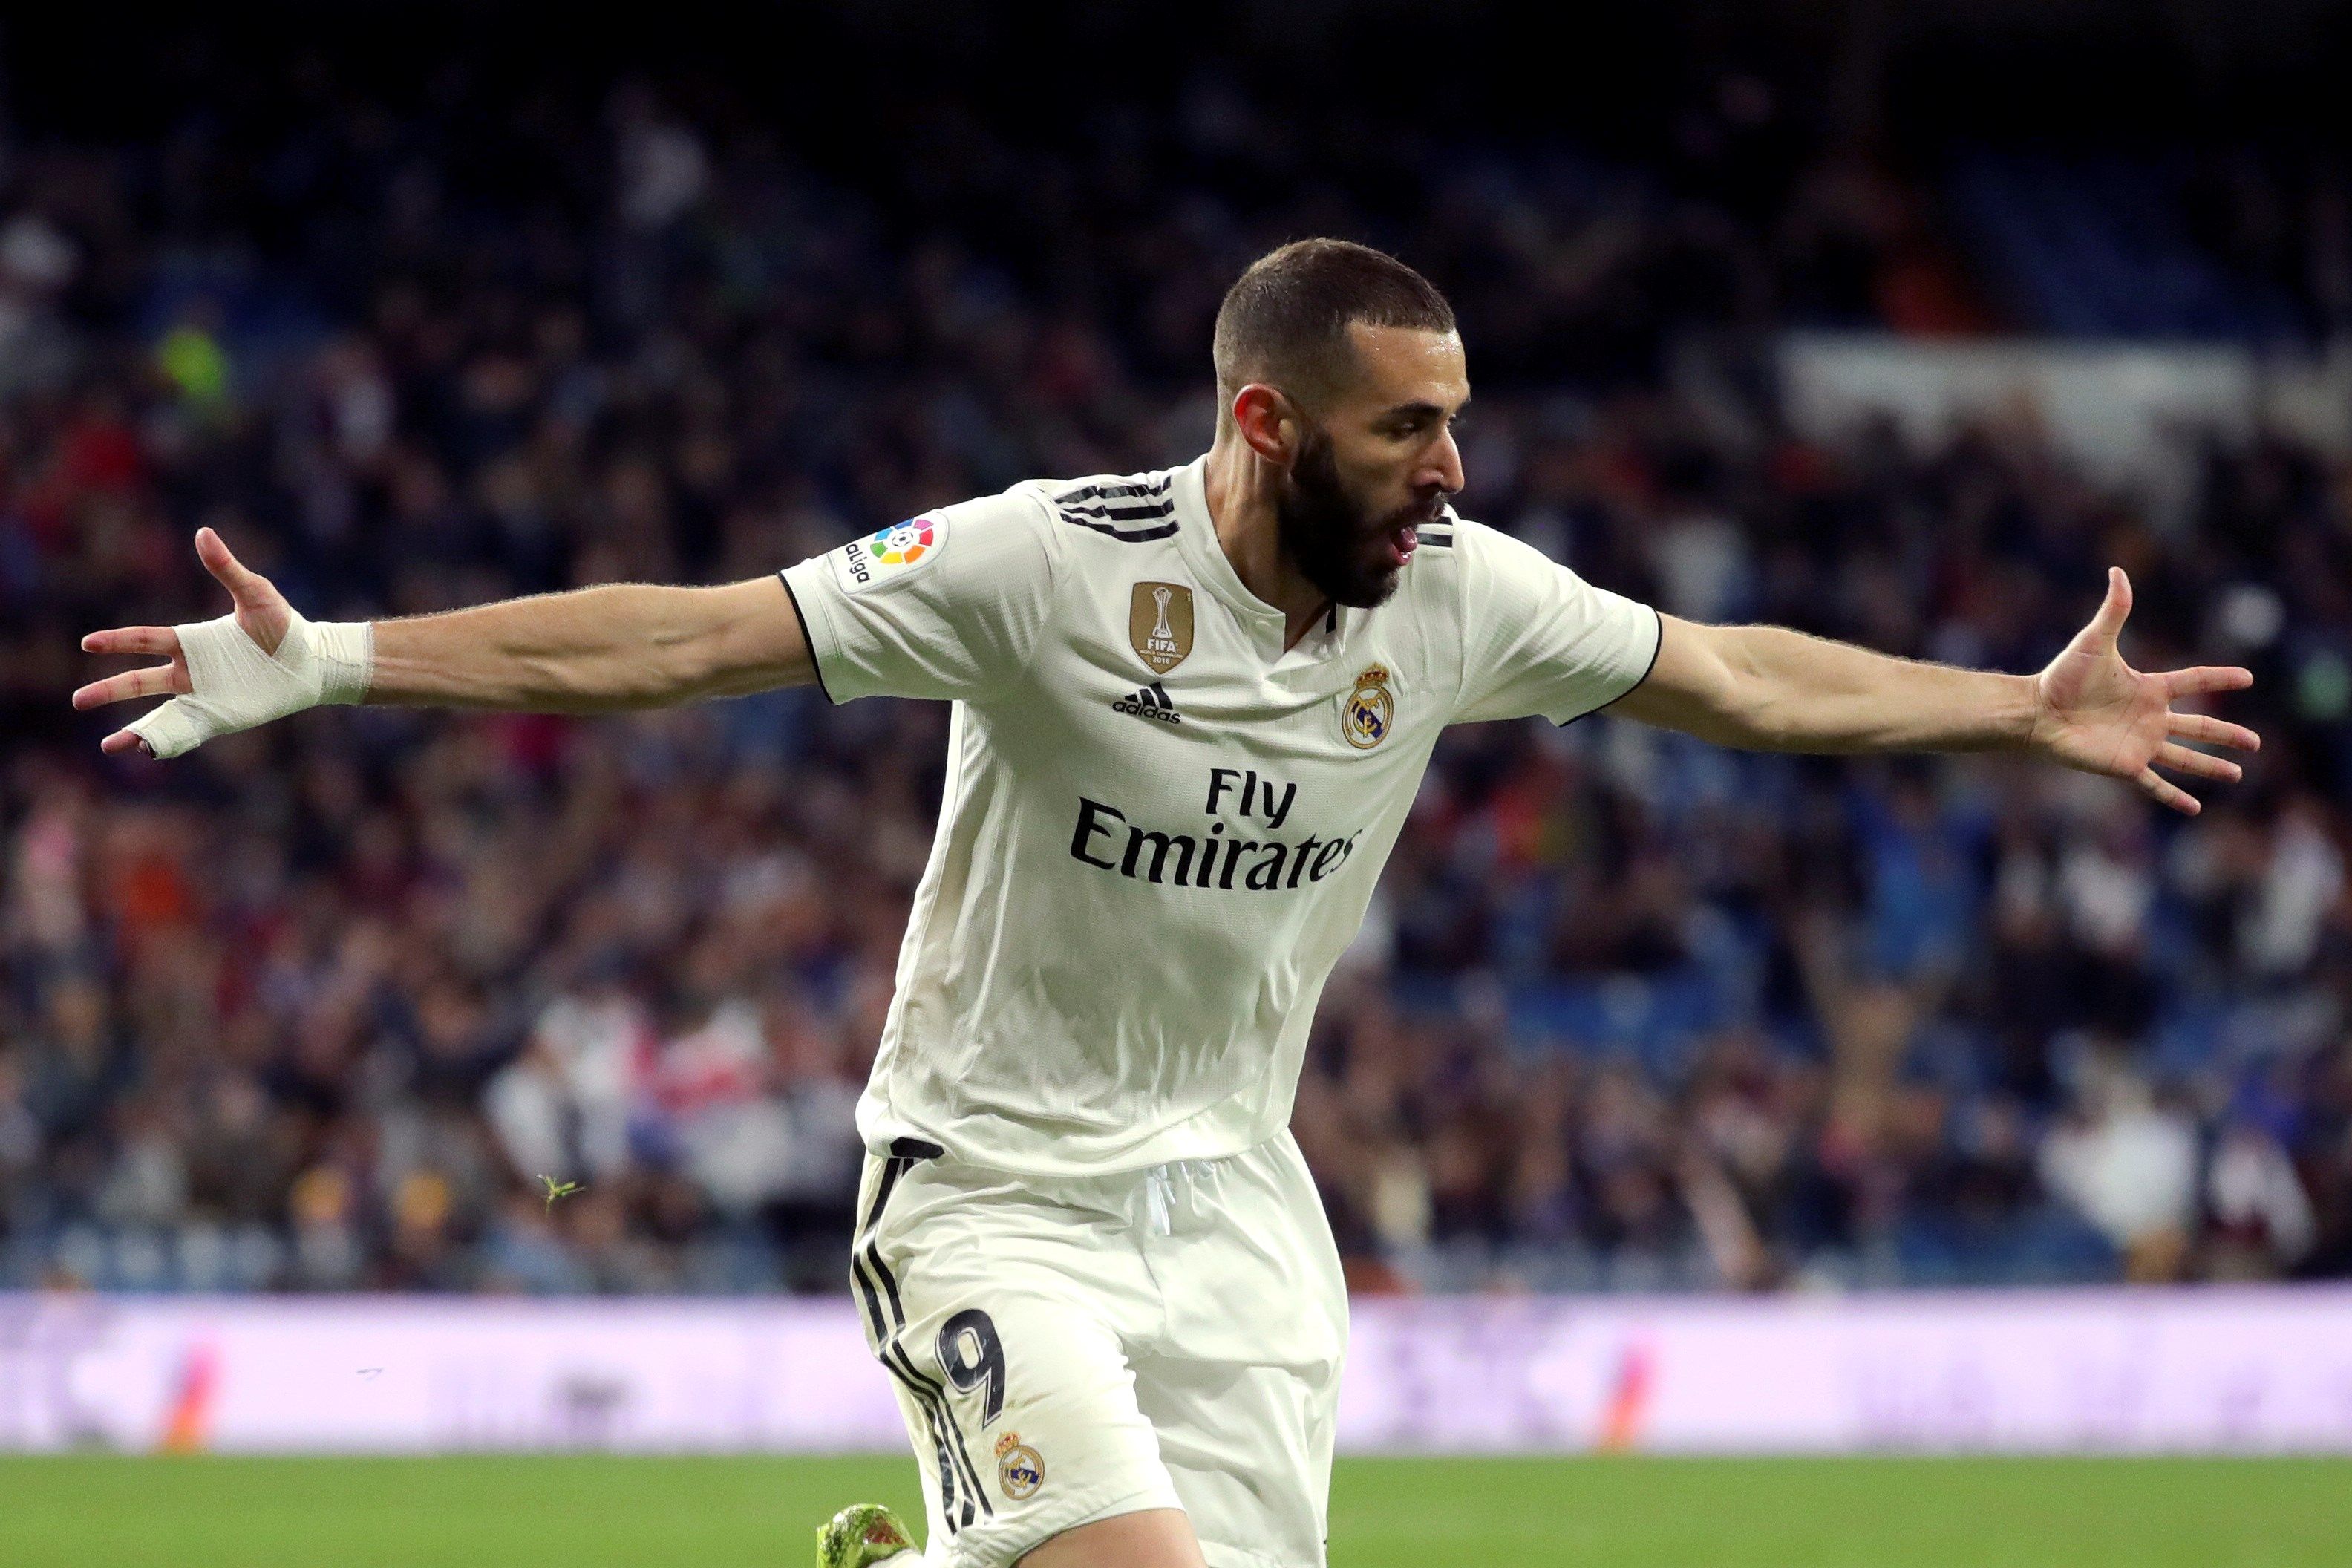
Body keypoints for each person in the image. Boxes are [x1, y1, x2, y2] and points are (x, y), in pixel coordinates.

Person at [73, 239, 2258, 1568]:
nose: (1452, 469)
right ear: (1264, 423)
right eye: (1407, 431)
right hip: (990, 1191)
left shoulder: (1463, 599)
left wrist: (2015, 708)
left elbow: (1735, 678)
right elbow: (688, 637)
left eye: (1458, 424)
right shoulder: (1045, 565)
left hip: (1238, 1216)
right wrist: (334, 660)